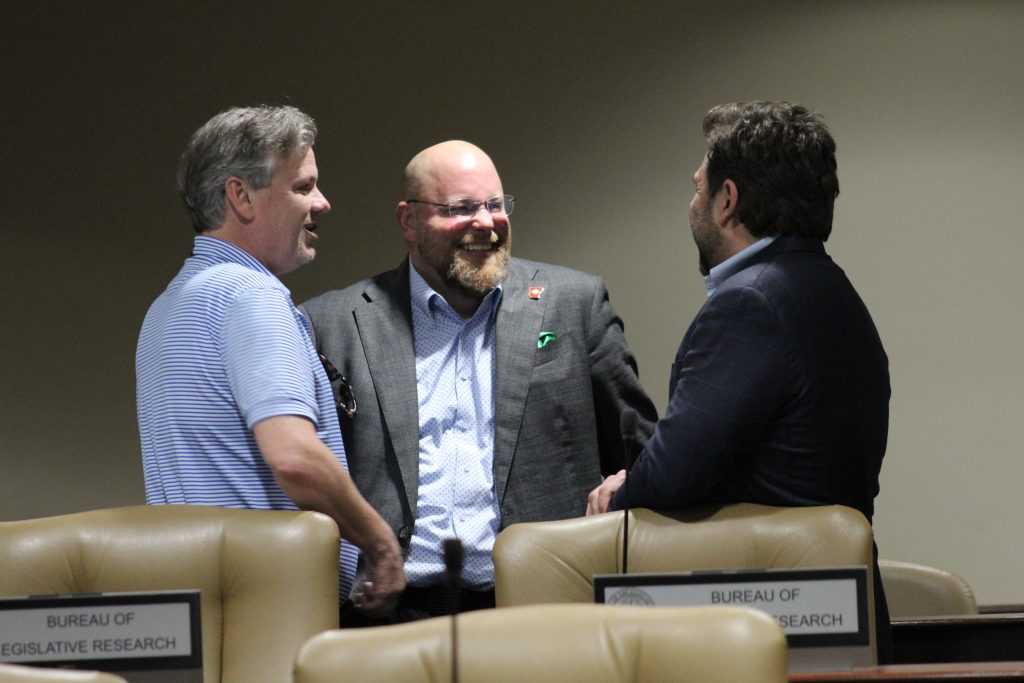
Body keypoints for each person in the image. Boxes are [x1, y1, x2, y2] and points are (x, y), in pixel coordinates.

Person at [300, 139, 658, 623]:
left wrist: (628, 485)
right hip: (389, 616)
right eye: (461, 208)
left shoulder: (574, 303)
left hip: (545, 609)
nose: (486, 222)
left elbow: (641, 451)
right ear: (408, 221)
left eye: (495, 204)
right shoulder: (334, 322)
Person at [586, 100, 893, 660]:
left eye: (697, 188)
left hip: (769, 626)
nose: (692, 204)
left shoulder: (752, 303)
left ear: (728, 200)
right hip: (834, 617)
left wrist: (618, 495)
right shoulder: (831, 288)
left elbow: (676, 474)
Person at [136, 105, 405, 617]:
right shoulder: (251, 295)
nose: (322, 203)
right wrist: (380, 544)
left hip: (195, 610)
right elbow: (293, 456)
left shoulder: (167, 306)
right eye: (303, 187)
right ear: (240, 196)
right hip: (267, 608)